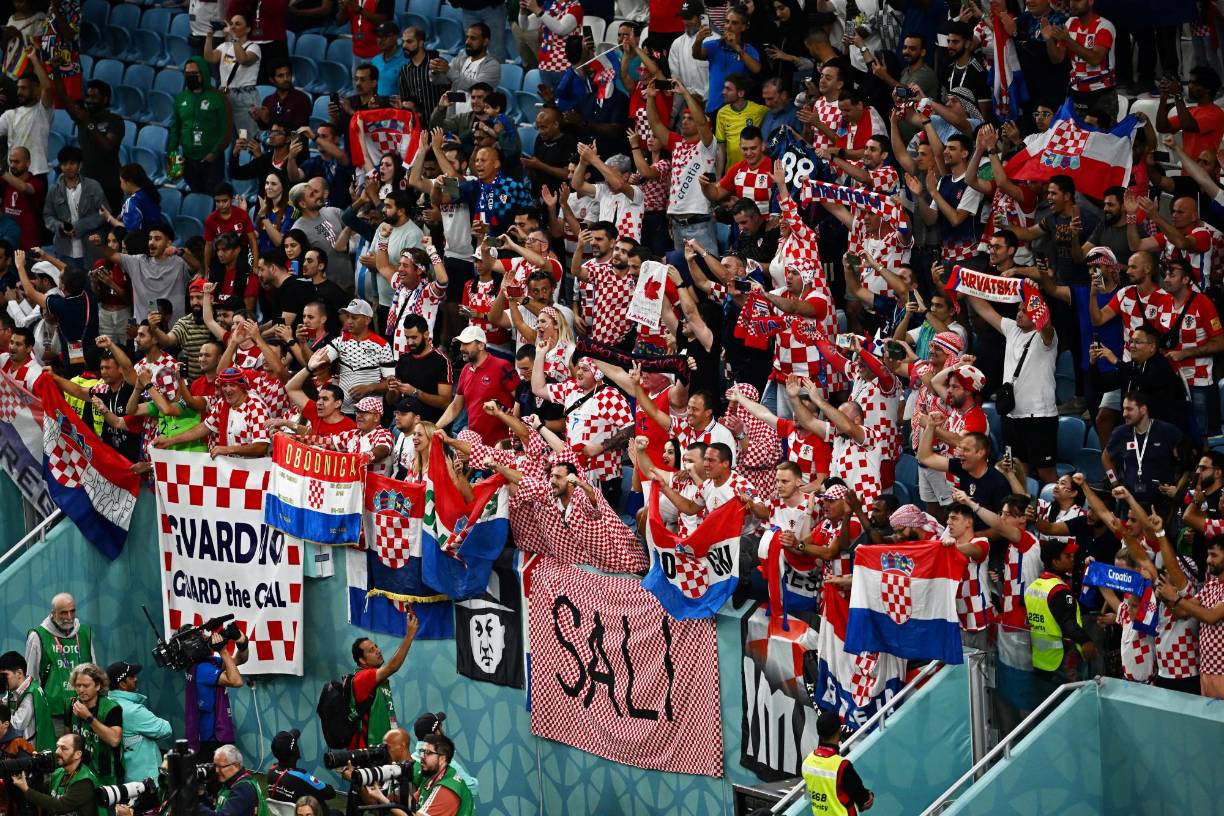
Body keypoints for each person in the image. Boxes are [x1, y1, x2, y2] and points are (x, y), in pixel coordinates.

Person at [1024, 539, 1098, 688]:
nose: (1072, 559)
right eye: (1067, 556)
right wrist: (1086, 642)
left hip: (1040, 660)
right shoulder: (1058, 590)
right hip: (1062, 661)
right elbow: (1068, 624)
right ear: (1055, 562)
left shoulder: (1033, 586)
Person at [349, 607, 420, 749]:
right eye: (371, 650)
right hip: (367, 754)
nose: (378, 650)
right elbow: (392, 667)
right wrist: (409, 635)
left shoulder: (378, 680)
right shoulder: (362, 678)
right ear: (362, 661)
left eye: (376, 647)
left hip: (383, 750)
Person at [437, 326, 517, 445]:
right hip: (476, 445)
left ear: (481, 346)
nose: (461, 348)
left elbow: (520, 399)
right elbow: (455, 406)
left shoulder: (502, 366)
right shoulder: (466, 369)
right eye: (461, 344)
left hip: (501, 445)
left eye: (467, 344)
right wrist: (434, 427)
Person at [25, 593, 95, 725]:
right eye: (63, 613)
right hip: (53, 712)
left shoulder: (84, 632)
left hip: (83, 707)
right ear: (53, 613)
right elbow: (31, 677)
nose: (69, 617)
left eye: (72, 611)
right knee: (60, 746)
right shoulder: (38, 635)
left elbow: (94, 670)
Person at [168, 57, 233, 195]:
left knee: (214, 199)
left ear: (203, 73)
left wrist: (215, 152)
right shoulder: (181, 98)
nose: (190, 77)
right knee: (196, 197)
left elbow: (226, 129)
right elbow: (175, 130)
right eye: (187, 74)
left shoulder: (219, 97)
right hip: (188, 160)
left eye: (194, 73)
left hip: (212, 161)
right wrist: (172, 157)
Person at [104, 662, 170, 785]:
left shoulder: (107, 704)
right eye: (132, 677)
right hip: (144, 782)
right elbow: (165, 729)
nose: (136, 679)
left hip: (124, 779)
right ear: (122, 684)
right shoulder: (132, 711)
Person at [801, 710, 873, 815]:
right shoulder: (842, 766)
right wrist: (870, 795)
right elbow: (864, 800)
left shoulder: (807, 761)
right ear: (839, 730)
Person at [11, 733, 98, 816]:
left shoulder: (84, 781)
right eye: (57, 747)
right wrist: (35, 770)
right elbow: (42, 792)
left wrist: (26, 790)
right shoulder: (59, 772)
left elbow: (59, 806)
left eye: (64, 748)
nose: (57, 752)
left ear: (77, 754)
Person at [65, 663, 122, 787]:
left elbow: (114, 740)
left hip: (106, 774)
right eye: (78, 685)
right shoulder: (71, 705)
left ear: (98, 686)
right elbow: (68, 739)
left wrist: (88, 717)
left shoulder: (112, 708)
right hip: (79, 772)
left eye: (86, 686)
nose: (81, 690)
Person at [0, 651, 55, 750]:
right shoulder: (17, 689)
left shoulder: (31, 693)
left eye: (5, 675)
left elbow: (16, 725)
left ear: (19, 673)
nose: (2, 680)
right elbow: (4, 704)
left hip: (33, 752)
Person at [410, 734, 474, 816]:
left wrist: (389, 804)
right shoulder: (435, 775)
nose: (421, 756)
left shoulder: (447, 789)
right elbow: (413, 802)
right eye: (422, 751)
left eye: (428, 752)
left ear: (442, 758)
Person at [194, 745, 269, 816]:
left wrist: (193, 806)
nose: (216, 770)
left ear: (236, 766)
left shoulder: (244, 788)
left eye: (220, 766)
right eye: (215, 766)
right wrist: (201, 793)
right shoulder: (230, 782)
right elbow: (215, 805)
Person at [266, 729, 335, 803]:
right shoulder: (300, 777)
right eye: (296, 745)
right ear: (295, 751)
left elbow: (295, 732)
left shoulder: (271, 771)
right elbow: (330, 793)